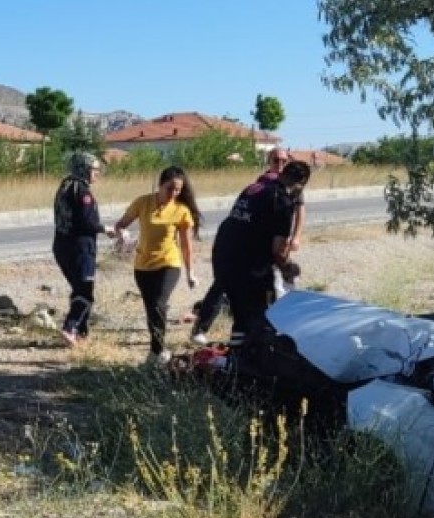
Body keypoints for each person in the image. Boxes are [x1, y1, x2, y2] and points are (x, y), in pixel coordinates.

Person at [190, 147, 307, 344]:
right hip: (247, 258)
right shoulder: (281, 200)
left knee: (240, 308)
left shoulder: (254, 188)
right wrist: (288, 268)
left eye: (283, 161)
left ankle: (238, 349)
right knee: (259, 309)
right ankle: (253, 351)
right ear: (300, 184)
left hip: (224, 248)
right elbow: (278, 251)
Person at [113, 166, 200, 363]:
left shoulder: (181, 210)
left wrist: (190, 273)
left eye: (178, 190)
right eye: (170, 188)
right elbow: (121, 224)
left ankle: (158, 351)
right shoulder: (143, 202)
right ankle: (156, 352)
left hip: (169, 263)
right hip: (143, 266)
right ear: (160, 185)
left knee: (159, 303)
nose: (173, 193)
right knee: (151, 308)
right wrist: (122, 233)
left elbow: (187, 245)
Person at [51, 151, 112, 347]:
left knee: (78, 289)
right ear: (83, 169)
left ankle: (81, 333)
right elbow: (87, 222)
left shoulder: (64, 187)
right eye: (94, 169)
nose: (97, 173)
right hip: (80, 249)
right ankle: (71, 327)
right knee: (85, 291)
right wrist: (106, 229)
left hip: (61, 246)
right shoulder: (82, 192)